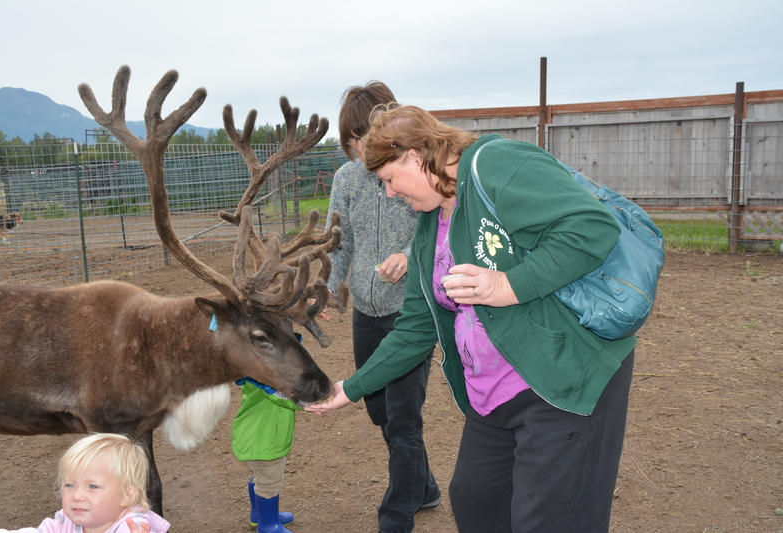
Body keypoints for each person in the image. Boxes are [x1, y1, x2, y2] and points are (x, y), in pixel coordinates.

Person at [306, 104, 637, 533]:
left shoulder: (496, 163)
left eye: (388, 179)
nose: (388, 193)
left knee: (548, 518)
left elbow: (592, 227)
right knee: (477, 502)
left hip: (560, 381)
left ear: (415, 155)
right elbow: (415, 330)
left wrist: (507, 286)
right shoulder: (429, 225)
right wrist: (349, 389)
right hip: (492, 393)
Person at [323, 82, 440, 533]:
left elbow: (440, 228)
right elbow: (340, 241)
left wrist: (411, 256)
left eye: (363, 139)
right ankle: (424, 486)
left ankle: (397, 517)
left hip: (409, 314)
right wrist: (330, 288)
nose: (358, 150)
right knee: (380, 412)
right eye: (351, 143)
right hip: (367, 314)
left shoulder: (416, 173)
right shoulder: (347, 179)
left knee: (403, 422)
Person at [0, 433, 169, 533]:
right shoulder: (67, 520)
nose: (77, 496)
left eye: (93, 487)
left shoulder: (133, 527)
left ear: (127, 496)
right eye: (70, 485)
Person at [231, 372, 302, 533]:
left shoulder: (258, 375)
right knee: (270, 481)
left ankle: (259, 514)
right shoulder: (267, 382)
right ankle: (268, 525)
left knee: (264, 477)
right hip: (264, 442)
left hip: (265, 439)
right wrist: (319, 399)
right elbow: (288, 398)